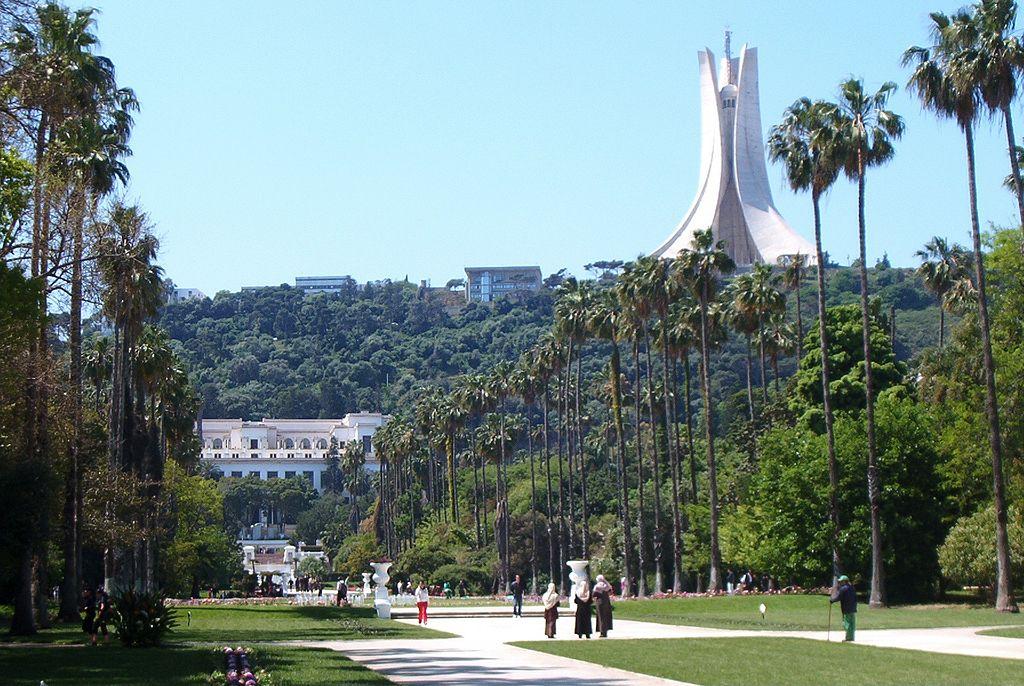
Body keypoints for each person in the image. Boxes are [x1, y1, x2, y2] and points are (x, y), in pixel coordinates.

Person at [830, 575, 857, 642]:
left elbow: (839, 598)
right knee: (852, 623)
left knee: (847, 623)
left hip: (846, 609)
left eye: (841, 581)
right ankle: (852, 637)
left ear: (845, 581)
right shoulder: (852, 588)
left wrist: (832, 600)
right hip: (853, 608)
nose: (840, 583)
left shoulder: (843, 589)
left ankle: (848, 638)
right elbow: (856, 598)